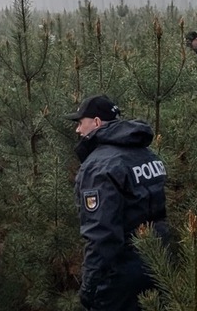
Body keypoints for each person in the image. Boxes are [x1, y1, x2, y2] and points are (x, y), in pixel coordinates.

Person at [66, 95, 170, 311]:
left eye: (80, 122)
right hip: (159, 265)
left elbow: (102, 235)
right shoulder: (146, 155)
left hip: (119, 276)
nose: (78, 130)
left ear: (96, 122)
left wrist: (90, 289)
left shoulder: (98, 166)